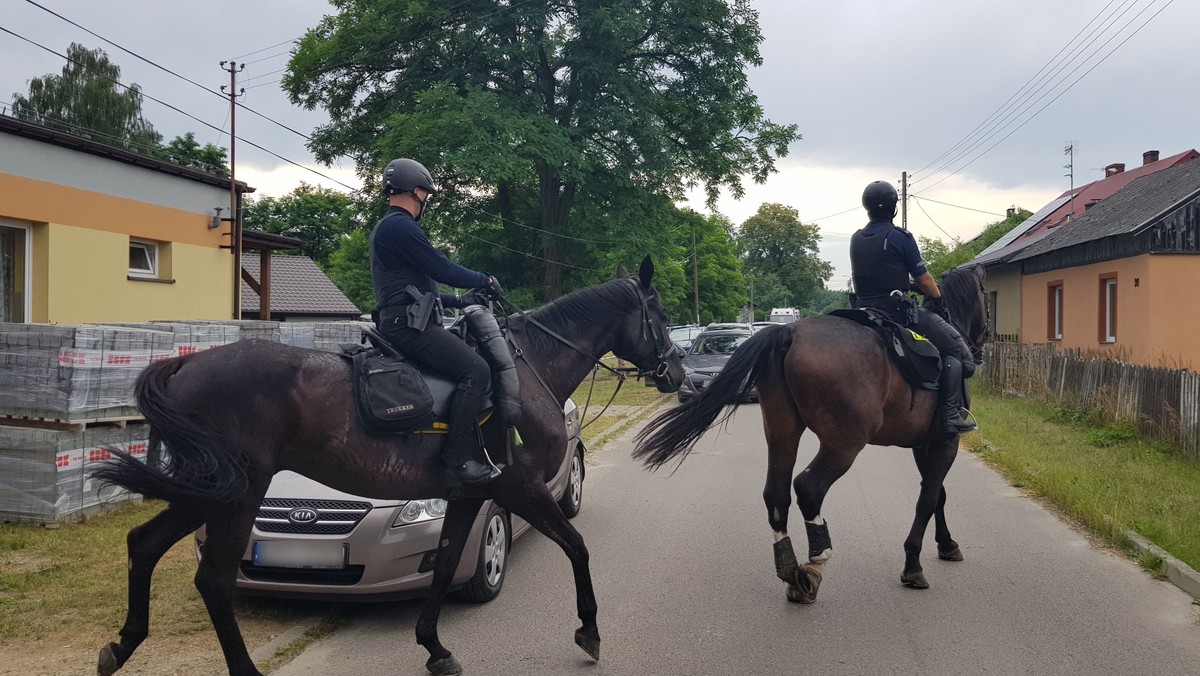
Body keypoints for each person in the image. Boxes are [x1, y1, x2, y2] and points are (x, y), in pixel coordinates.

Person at [369, 157, 504, 483]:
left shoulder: (390, 227)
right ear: (416, 191)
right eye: (426, 194)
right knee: (477, 370)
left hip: (406, 319)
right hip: (409, 328)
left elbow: (417, 291)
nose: (426, 200)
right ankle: (456, 461)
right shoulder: (400, 226)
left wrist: (461, 300)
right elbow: (441, 268)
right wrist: (483, 280)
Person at [849, 180, 977, 435]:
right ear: (894, 208)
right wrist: (938, 299)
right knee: (958, 352)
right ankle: (951, 415)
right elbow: (925, 280)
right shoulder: (900, 237)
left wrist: (906, 284)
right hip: (896, 312)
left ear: (867, 208)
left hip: (862, 310)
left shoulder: (856, 238)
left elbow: (880, 274)